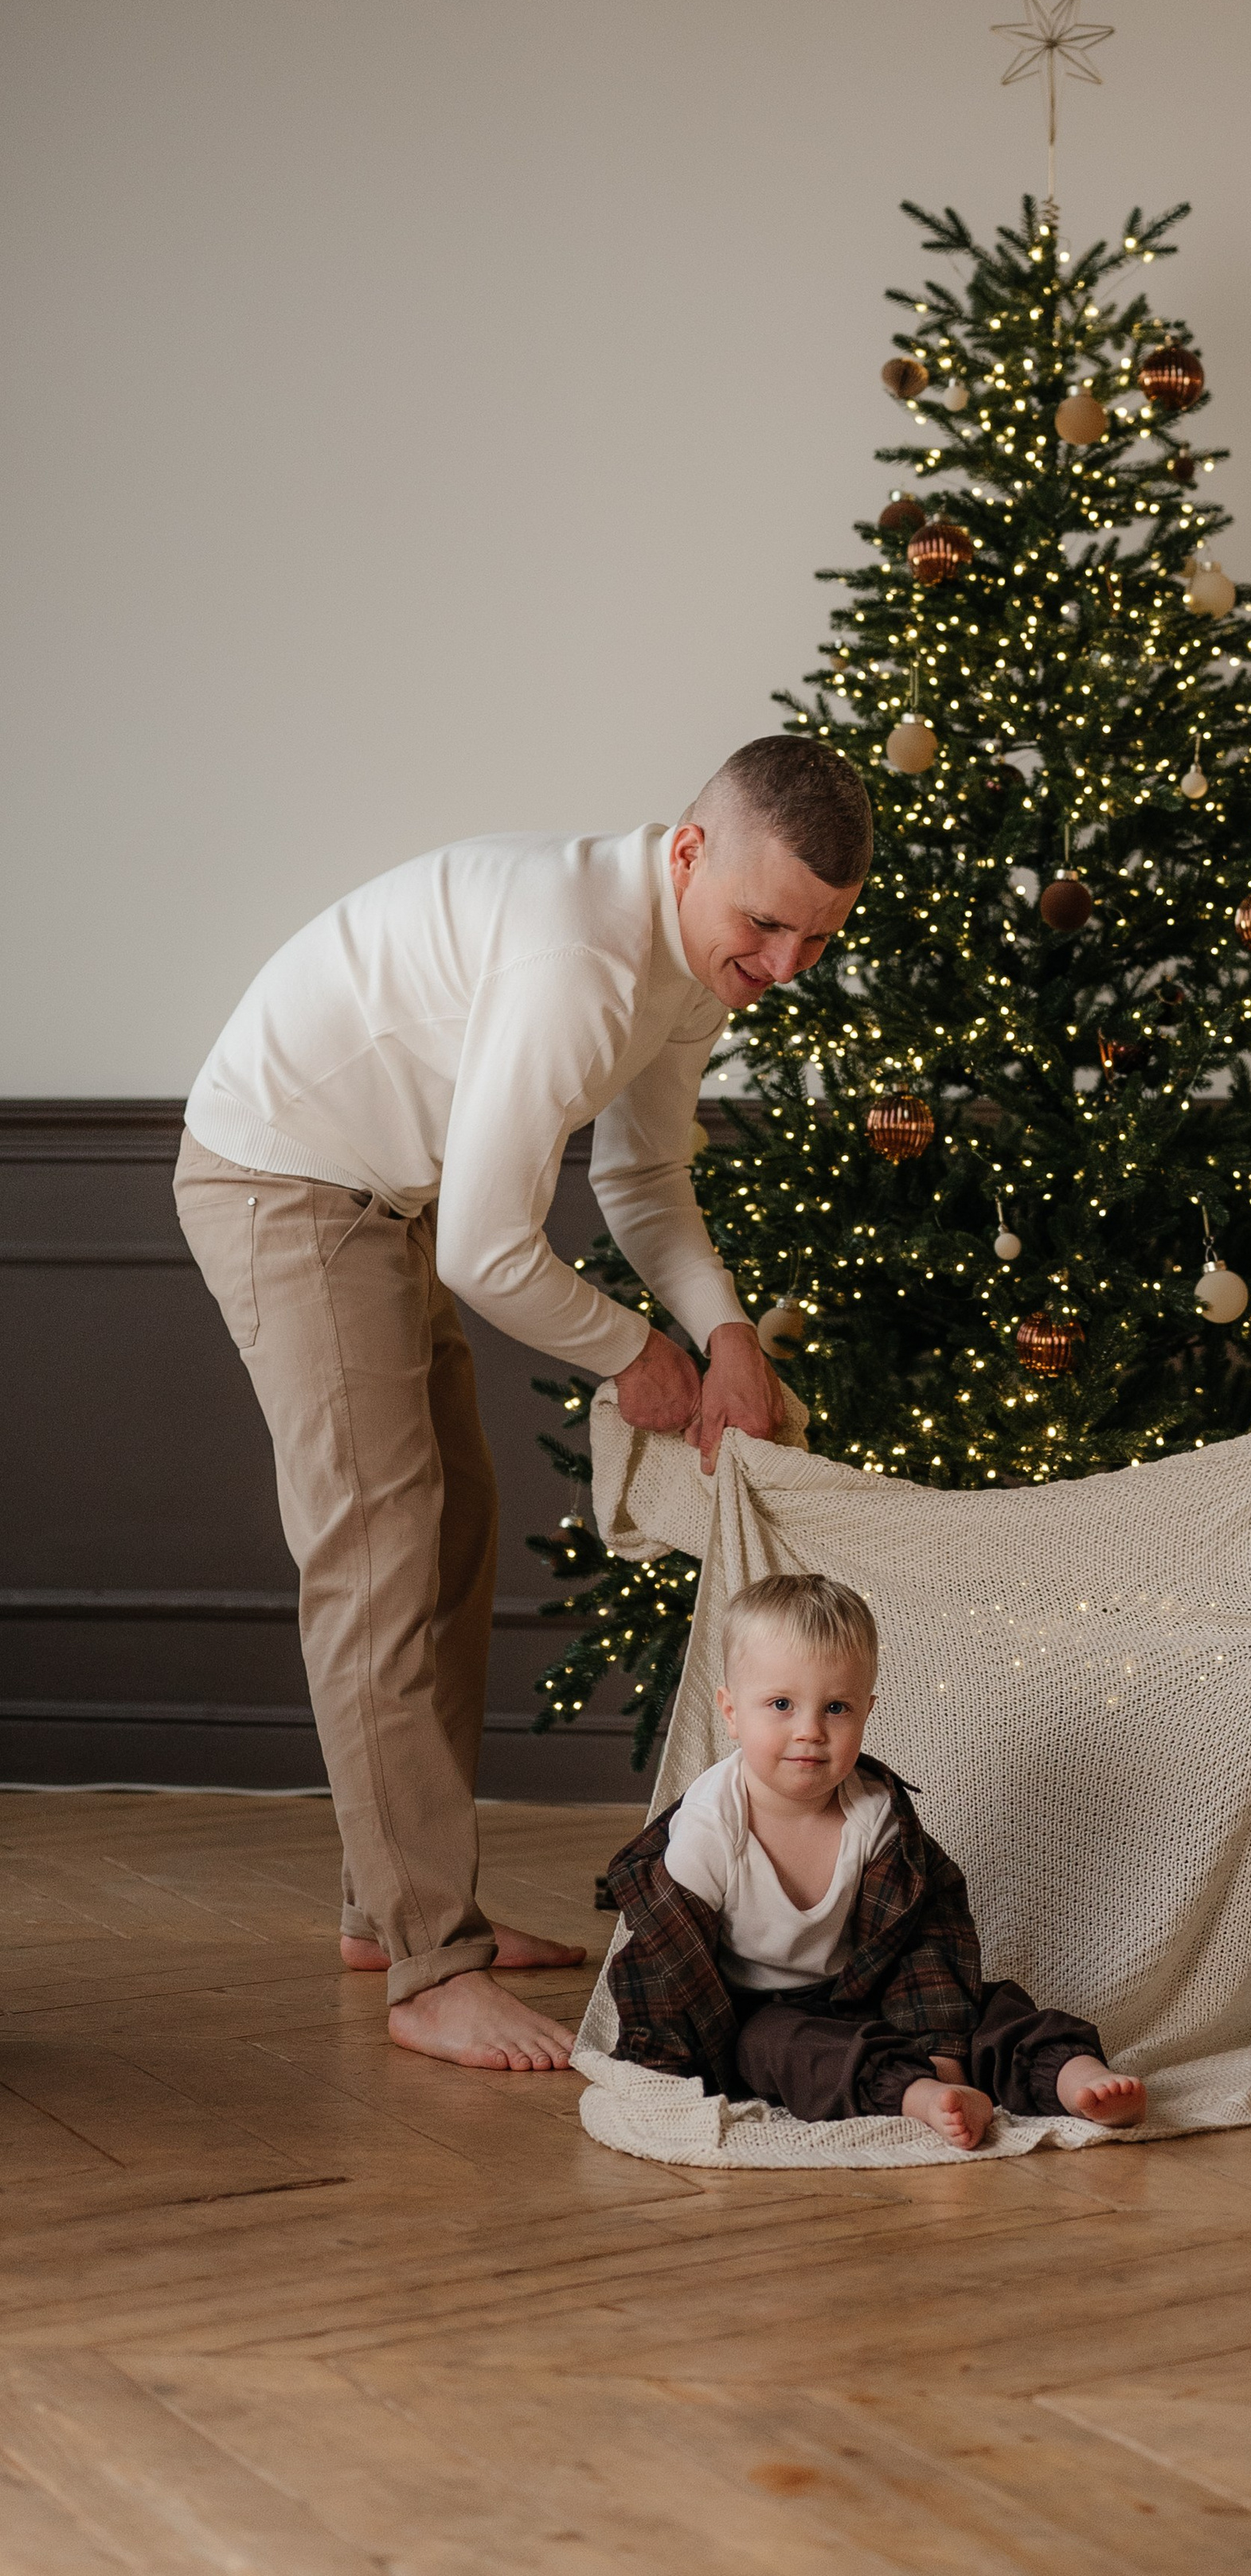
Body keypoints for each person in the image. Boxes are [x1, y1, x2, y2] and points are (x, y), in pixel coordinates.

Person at [174, 738, 870, 2072]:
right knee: (380, 1554)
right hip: (285, 1180)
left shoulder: (694, 952)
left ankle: (392, 1908)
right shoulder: (583, 962)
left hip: (386, 1194)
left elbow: (646, 1175)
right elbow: (487, 1250)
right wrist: (633, 1355)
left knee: (454, 1529)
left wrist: (721, 1330)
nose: (785, 965)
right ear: (687, 850)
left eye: (817, 938)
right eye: (767, 924)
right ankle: (432, 1962)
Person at [600, 1575, 1147, 2145]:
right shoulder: (712, 1827)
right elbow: (664, 1963)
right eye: (781, 1705)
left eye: (836, 1707)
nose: (809, 1732)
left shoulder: (876, 1817)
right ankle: (920, 2097)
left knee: (994, 2006)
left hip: (875, 1991)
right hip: (757, 2009)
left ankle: (1075, 2078)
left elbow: (931, 1936)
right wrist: (660, 2071)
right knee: (783, 2045)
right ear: (732, 1713)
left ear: (867, 1711)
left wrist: (944, 2051)